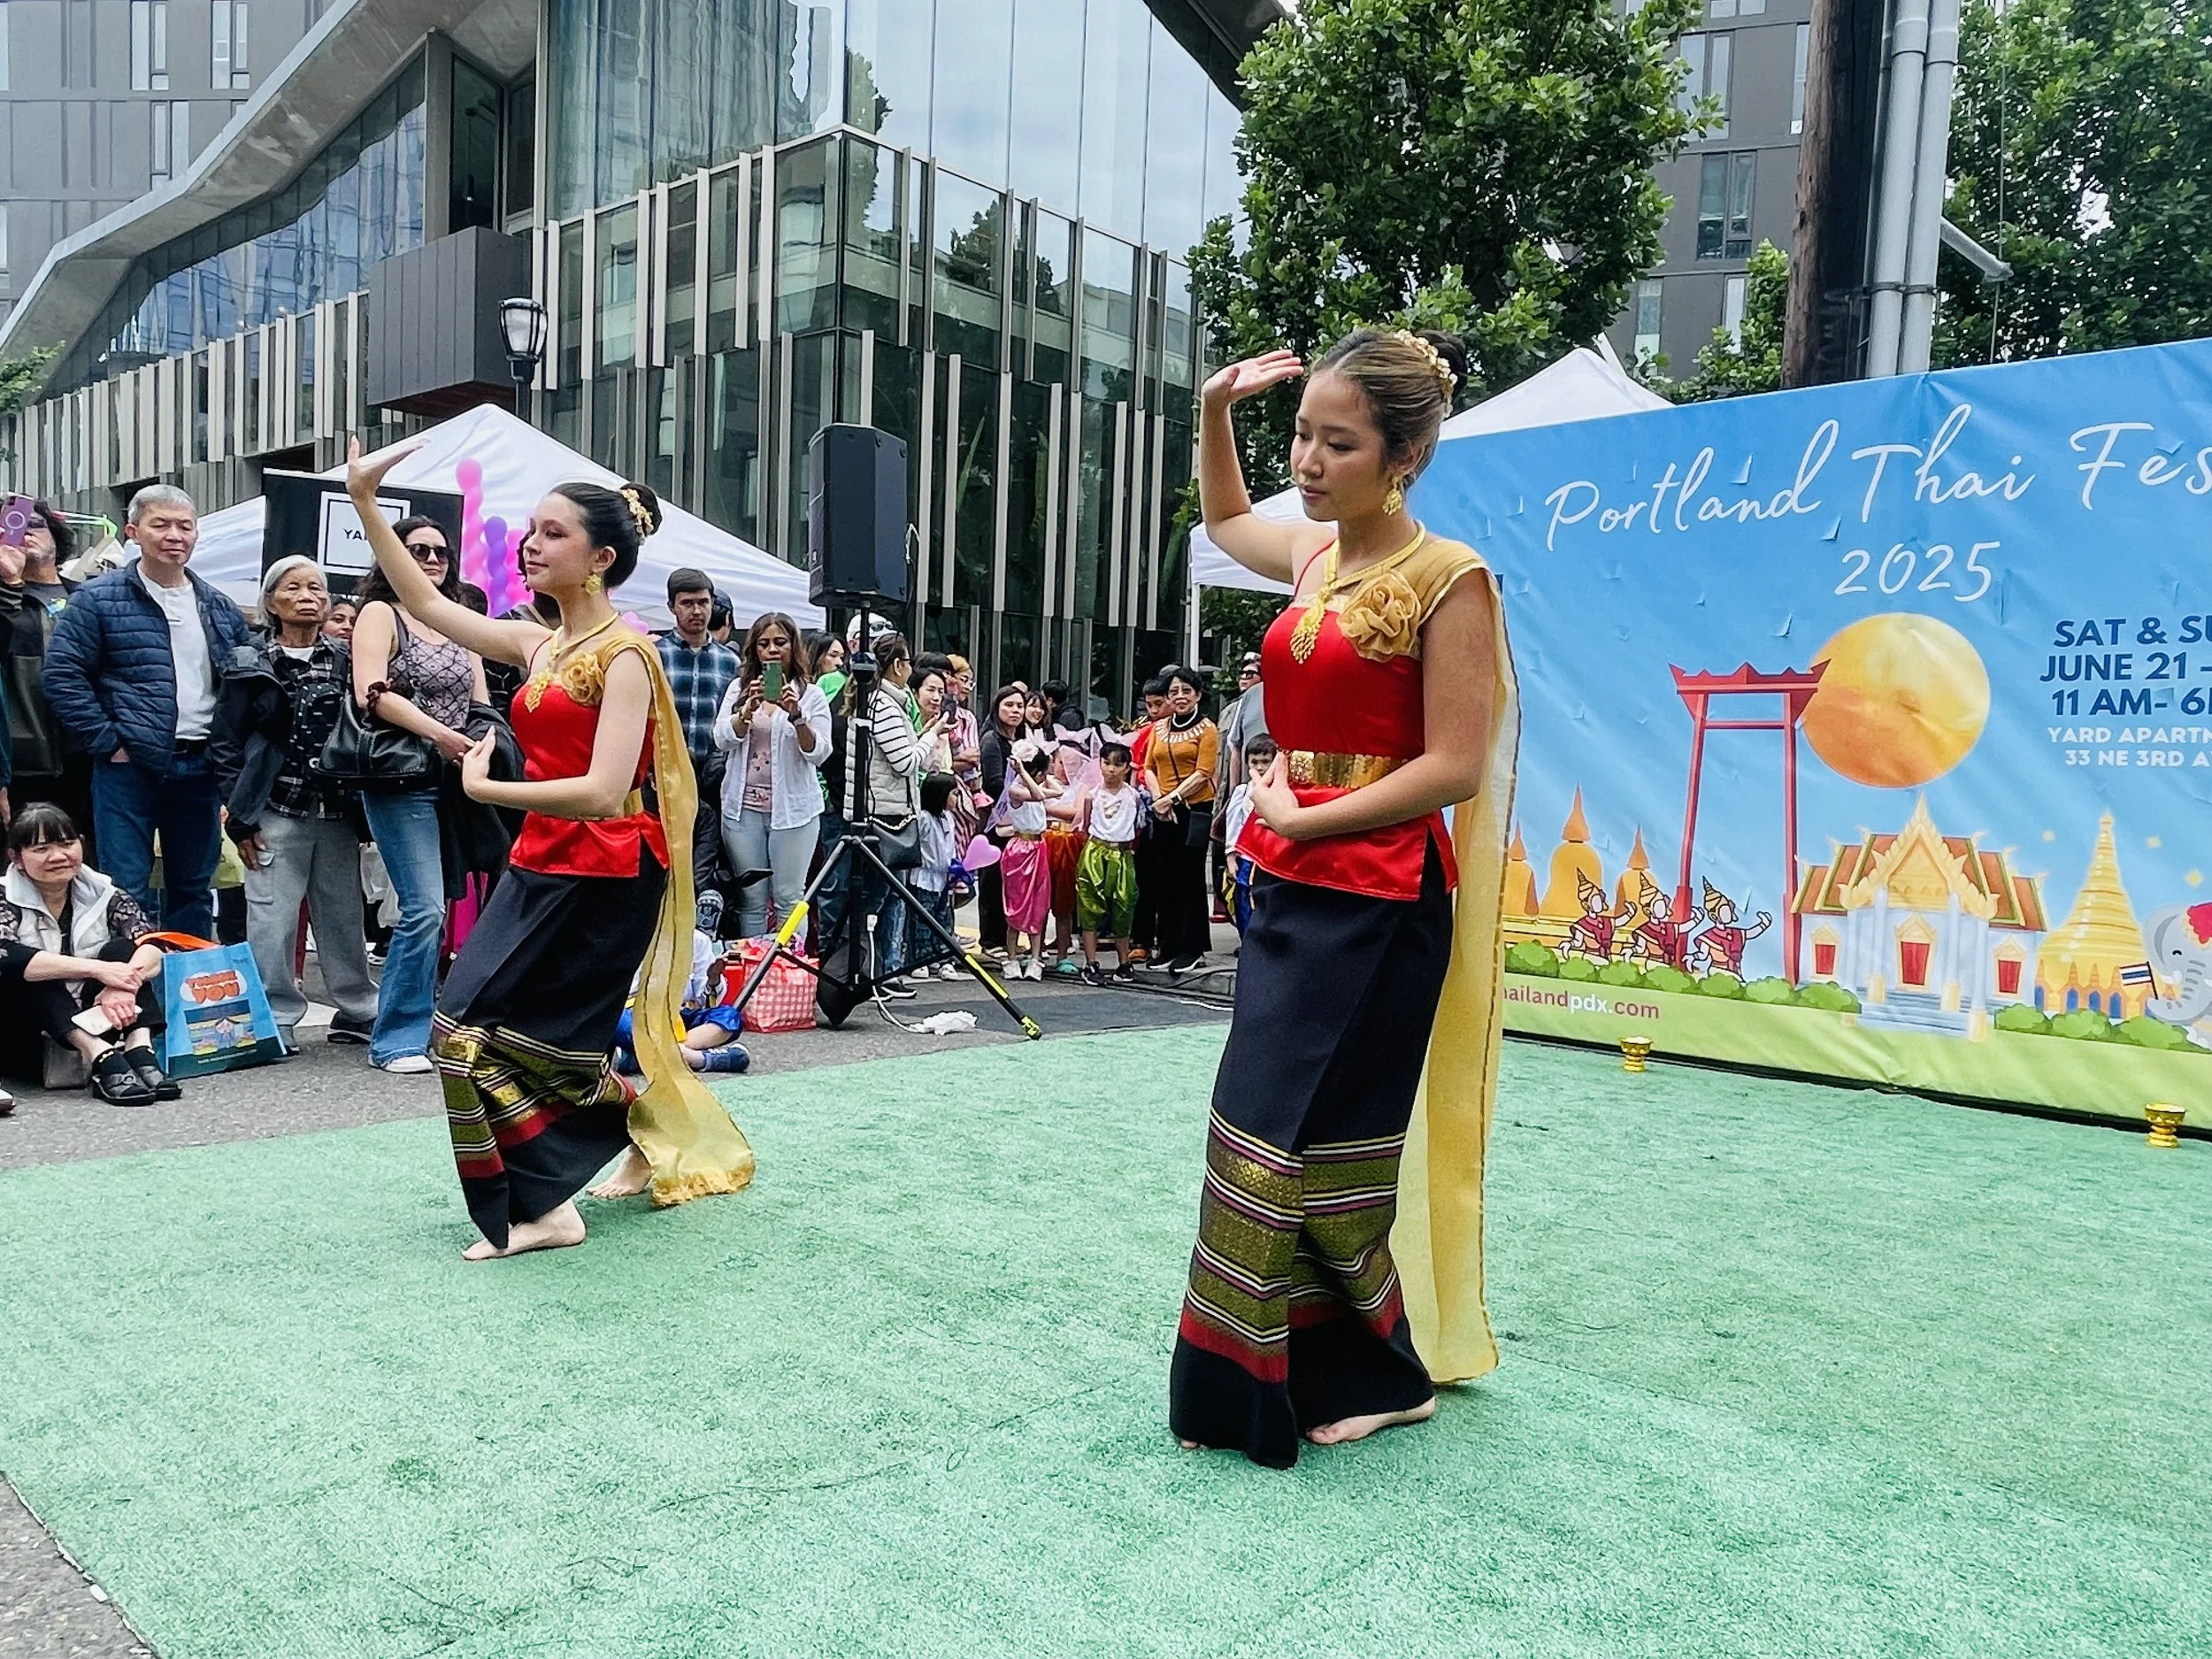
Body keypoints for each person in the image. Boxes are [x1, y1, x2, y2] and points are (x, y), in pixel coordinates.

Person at [1170, 326, 1517, 1469]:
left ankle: (1381, 1374)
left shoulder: (1447, 579)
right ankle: (1289, 1372)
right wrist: (1215, 408)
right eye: (1301, 436)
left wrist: (1309, 816)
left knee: (1316, 1149)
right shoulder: (1318, 562)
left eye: (1338, 442)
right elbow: (1226, 522)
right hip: (1291, 879)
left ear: (1403, 455)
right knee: (1262, 1138)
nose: (1308, 462)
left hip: (1378, 899)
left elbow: (1454, 763)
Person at [344, 437, 754, 1259]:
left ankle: (542, 1208)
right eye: (530, 528)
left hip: (609, 869)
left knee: (482, 1032)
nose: (531, 543)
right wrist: (363, 501)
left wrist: (491, 791)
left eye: (553, 532)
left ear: (600, 559)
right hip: (542, 857)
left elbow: (607, 790)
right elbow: (427, 606)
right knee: (484, 1030)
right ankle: (620, 1142)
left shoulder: (626, 655)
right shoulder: (540, 644)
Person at [42, 485, 254, 941]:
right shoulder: (97, 599)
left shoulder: (218, 606)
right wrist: (108, 743)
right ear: (134, 532)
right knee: (125, 888)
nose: (174, 535)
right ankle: (133, 999)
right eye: (161, 525)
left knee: (195, 889)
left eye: (185, 526)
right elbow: (62, 676)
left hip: (201, 767)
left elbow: (242, 687)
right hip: (128, 767)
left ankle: (187, 999)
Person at [212, 557, 377, 1048]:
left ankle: (357, 1008)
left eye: (317, 588)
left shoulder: (348, 661)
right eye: (294, 588)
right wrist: (239, 818)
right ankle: (274, 1014)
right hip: (275, 807)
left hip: (338, 810)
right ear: (271, 603)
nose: (308, 596)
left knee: (344, 913)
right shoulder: (247, 662)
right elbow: (225, 745)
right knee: (271, 915)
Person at [349, 516, 491, 1075]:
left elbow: (481, 700)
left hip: (459, 776)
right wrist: (441, 734)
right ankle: (398, 1039)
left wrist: (485, 744)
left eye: (440, 552)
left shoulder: (458, 620)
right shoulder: (380, 613)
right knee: (424, 908)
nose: (432, 559)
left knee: (463, 900)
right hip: (401, 774)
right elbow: (371, 693)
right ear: (392, 556)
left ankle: (443, 1023)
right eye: (418, 551)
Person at [1, 804, 177, 1105]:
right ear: (16, 858)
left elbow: (153, 944)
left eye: (67, 843)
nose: (58, 856)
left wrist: (121, 983)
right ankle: (102, 1057)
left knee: (122, 950)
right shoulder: (4, 896)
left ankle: (139, 1049)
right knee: (35, 967)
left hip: (100, 1016)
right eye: (42, 848)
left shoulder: (105, 892)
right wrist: (98, 970)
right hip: (27, 1034)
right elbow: (8, 956)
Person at [712, 611, 830, 938]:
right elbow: (721, 739)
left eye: (781, 642)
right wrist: (746, 711)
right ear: (755, 650)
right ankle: (754, 975)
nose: (772, 650)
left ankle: (789, 976)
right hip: (742, 810)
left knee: (789, 897)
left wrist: (797, 716)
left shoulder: (811, 694)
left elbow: (819, 753)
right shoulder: (739, 689)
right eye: (764, 644)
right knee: (751, 898)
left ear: (794, 646)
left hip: (794, 813)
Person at [837, 631, 929, 990]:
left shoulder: (881, 701)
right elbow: (905, 761)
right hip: (883, 816)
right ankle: (861, 973)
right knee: (874, 900)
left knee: (880, 900)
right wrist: (931, 738)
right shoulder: (885, 704)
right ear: (896, 666)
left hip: (884, 813)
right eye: (907, 661)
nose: (910, 668)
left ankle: (873, 973)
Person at [0, 501, 89, 835]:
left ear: (55, 534)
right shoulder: (5, 595)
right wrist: (9, 582)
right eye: (12, 525)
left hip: (88, 752)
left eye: (33, 523)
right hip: (25, 760)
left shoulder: (88, 595)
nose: (24, 533)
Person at [656, 569, 743, 897]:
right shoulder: (655, 655)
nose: (697, 611)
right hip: (664, 776)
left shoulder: (731, 663)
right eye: (687, 603)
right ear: (672, 607)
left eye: (703, 602)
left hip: (713, 778)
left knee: (703, 867)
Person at [1145, 666, 1220, 974]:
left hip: (1193, 809)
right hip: (1163, 810)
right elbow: (1148, 765)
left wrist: (1172, 798)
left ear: (1198, 695)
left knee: (1189, 879)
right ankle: (1167, 946)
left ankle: (1192, 948)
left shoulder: (1207, 729)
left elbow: (1203, 773)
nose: (1179, 697)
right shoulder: (1159, 728)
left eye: (1186, 691)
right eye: (1173, 691)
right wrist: (1157, 799)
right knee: (1165, 879)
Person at [1076, 742, 1141, 985]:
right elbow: (1084, 828)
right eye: (1106, 763)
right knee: (1090, 906)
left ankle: (1124, 963)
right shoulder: (1092, 795)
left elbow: (1138, 826)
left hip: (1122, 854)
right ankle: (1091, 962)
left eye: (1118, 764)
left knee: (1124, 906)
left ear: (1127, 767)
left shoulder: (1133, 795)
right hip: (1096, 851)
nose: (1111, 769)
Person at [1211, 652, 1269, 923]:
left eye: (1251, 673)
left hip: (1283, 798)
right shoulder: (1250, 698)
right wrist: (1235, 791)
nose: (1245, 678)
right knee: (1242, 874)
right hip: (1249, 792)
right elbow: (1235, 746)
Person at [974, 685, 1029, 959]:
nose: (1015, 711)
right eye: (1009, 705)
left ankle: (1007, 935)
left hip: (1017, 819)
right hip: (996, 820)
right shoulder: (991, 740)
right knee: (992, 877)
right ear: (997, 708)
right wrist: (1024, 794)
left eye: (1020, 706)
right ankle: (991, 938)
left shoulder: (1022, 741)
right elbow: (994, 783)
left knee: (1011, 879)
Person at [996, 737, 1056, 979]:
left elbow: (1057, 790)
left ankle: (1035, 957)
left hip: (1038, 847)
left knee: (1038, 905)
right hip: (1020, 848)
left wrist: (1041, 768)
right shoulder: (1015, 790)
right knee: (1016, 906)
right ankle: (1011, 958)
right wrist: (1022, 771)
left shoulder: (1036, 787)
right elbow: (1038, 796)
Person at [1221, 733, 1280, 935]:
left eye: (1265, 761)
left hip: (1273, 858)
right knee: (1245, 900)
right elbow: (1234, 824)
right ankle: (1247, 942)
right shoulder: (1243, 792)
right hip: (1248, 856)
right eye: (1255, 762)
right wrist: (1231, 856)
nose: (1260, 767)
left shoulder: (1281, 792)